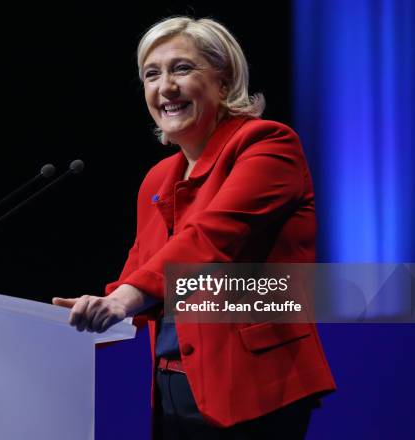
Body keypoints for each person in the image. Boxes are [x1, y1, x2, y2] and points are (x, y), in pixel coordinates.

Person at [53, 16, 335, 439]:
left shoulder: (268, 145)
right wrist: (76, 322)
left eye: (181, 69)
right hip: (174, 386)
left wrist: (123, 300)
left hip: (254, 386)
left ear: (224, 81)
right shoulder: (157, 179)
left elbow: (211, 239)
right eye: (152, 74)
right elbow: (140, 271)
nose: (164, 86)